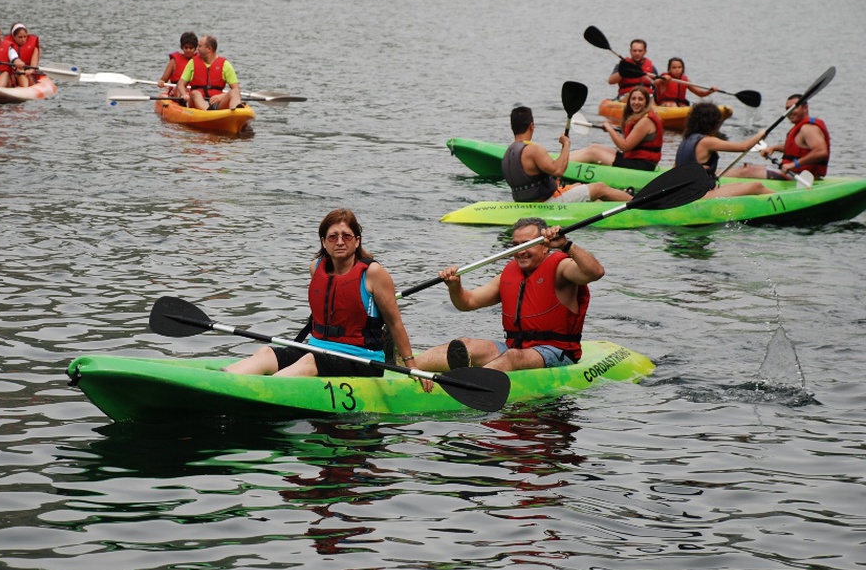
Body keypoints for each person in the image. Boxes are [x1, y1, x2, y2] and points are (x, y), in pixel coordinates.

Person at [224, 209, 428, 388]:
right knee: (265, 353)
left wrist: (412, 367)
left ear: (357, 241)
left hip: (362, 359)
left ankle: (261, 390)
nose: (340, 242)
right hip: (317, 348)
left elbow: (394, 322)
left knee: (309, 361)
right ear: (323, 241)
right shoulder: (316, 268)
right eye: (333, 237)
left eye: (347, 236)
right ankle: (222, 381)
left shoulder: (373, 273)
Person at [415, 217, 602, 373]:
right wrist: (454, 286)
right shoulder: (508, 276)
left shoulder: (561, 268)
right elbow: (467, 302)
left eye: (527, 244)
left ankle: (468, 384)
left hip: (557, 352)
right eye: (515, 245)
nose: (520, 251)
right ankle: (403, 366)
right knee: (466, 344)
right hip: (517, 348)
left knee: (512, 357)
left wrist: (566, 245)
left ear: (545, 246)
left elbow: (595, 272)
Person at [502, 104, 633, 203]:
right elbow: (559, 171)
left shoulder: (508, 153)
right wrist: (566, 145)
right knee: (600, 187)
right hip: (547, 204)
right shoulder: (533, 150)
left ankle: (619, 200)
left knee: (578, 186)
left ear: (512, 127)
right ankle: (640, 203)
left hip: (526, 202)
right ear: (532, 126)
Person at [676, 102, 774, 198]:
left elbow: (675, 171)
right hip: (698, 195)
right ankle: (787, 203)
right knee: (756, 186)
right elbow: (743, 147)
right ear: (713, 123)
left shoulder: (686, 140)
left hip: (687, 193)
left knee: (739, 185)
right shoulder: (707, 141)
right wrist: (761, 134)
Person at [726, 93, 830, 181]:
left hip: (802, 176)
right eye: (787, 109)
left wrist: (793, 165)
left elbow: (821, 152)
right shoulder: (802, 127)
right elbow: (796, 149)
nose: (789, 112)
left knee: (746, 171)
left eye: (794, 108)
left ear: (805, 108)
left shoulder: (808, 128)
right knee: (747, 166)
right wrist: (774, 148)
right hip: (795, 172)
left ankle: (714, 181)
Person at [569, 86, 664, 172]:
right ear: (629, 101)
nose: (636, 102)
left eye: (640, 99)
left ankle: (562, 166)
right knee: (594, 147)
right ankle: (563, 159)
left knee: (594, 153)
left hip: (642, 165)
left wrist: (610, 129)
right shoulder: (642, 117)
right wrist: (612, 129)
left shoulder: (646, 121)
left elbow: (625, 147)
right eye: (633, 99)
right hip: (634, 159)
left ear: (646, 102)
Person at [180, 35, 242, 110]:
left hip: (216, 103)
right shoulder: (192, 62)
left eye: (199, 46)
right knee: (195, 93)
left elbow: (236, 88)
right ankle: (208, 111)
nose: (197, 49)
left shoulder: (225, 65)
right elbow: (181, 84)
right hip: (196, 103)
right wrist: (184, 94)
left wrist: (221, 96)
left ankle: (235, 110)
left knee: (235, 91)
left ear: (209, 49)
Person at [159, 31, 199, 99]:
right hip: (176, 91)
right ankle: (183, 102)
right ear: (182, 47)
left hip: (193, 90)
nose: (188, 50)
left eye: (191, 48)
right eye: (186, 48)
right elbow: (163, 80)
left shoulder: (200, 61)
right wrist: (161, 82)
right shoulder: (174, 62)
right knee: (180, 87)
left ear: (195, 48)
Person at [5, 23, 40, 87]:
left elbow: (33, 66)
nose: (23, 40)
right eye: (20, 37)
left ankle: (24, 90)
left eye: (25, 36)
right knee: (19, 70)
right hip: (12, 74)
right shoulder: (7, 46)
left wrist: (30, 71)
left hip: (28, 73)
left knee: (21, 72)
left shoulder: (34, 47)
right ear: (13, 37)